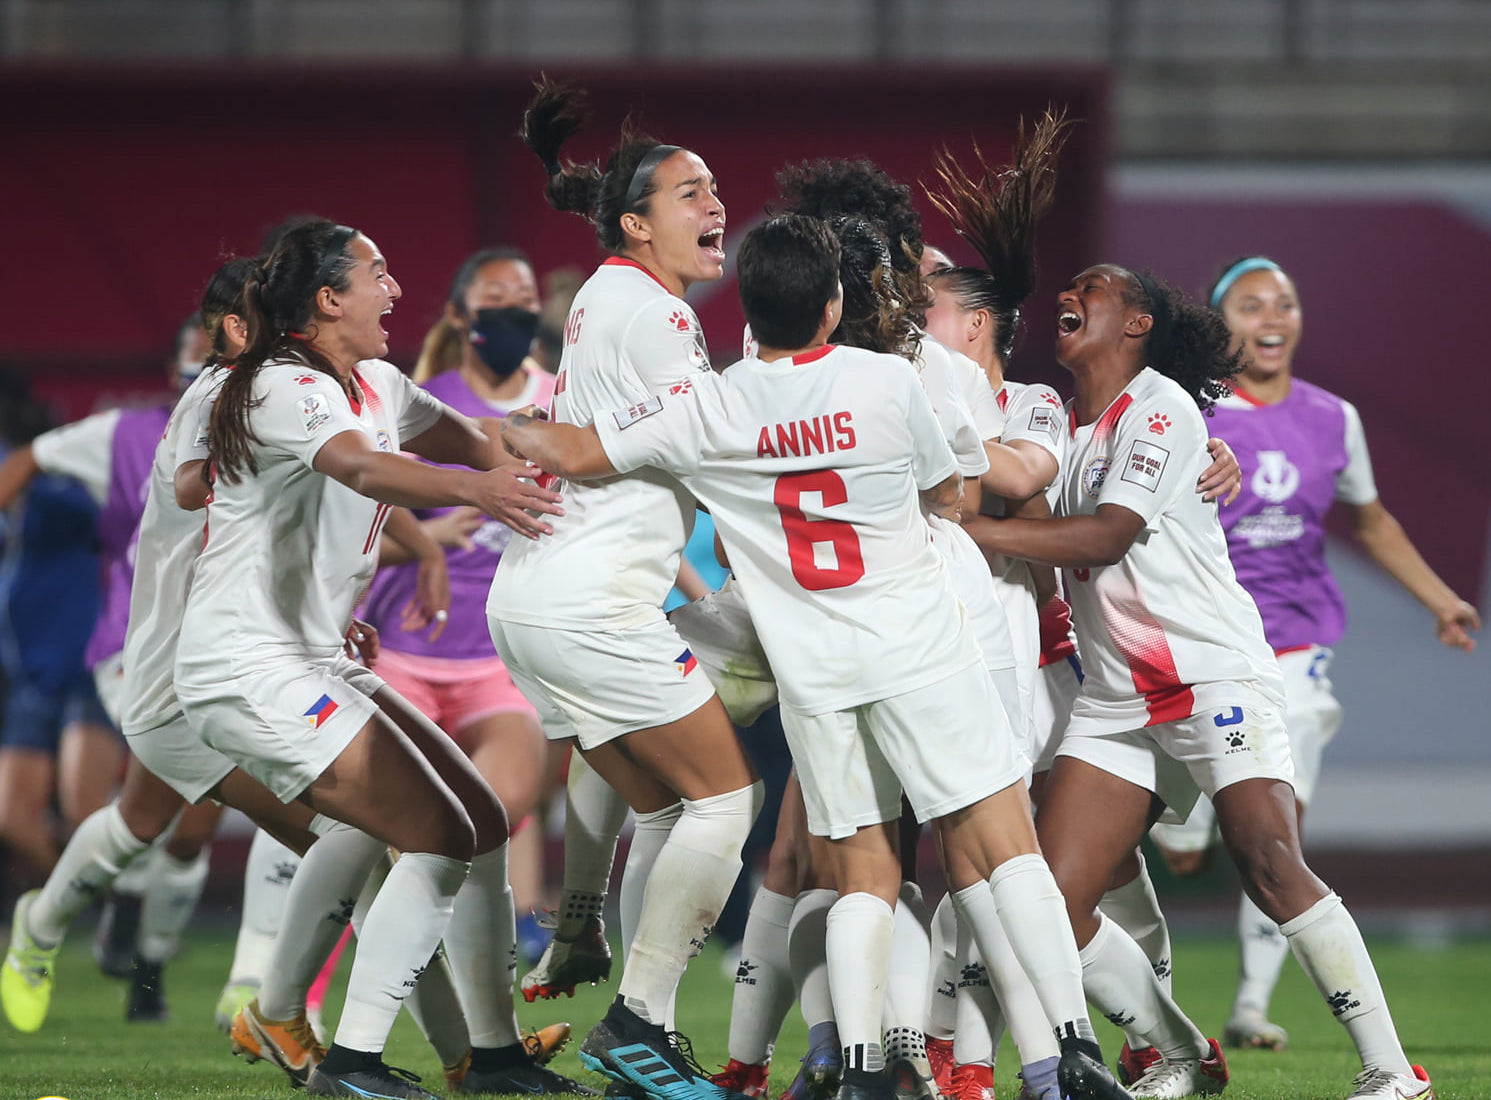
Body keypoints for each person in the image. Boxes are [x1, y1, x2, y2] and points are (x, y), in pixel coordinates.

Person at [501, 213, 1137, 1100]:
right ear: (834, 303)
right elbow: (948, 488)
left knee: (861, 874)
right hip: (920, 648)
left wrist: (520, 430)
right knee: (1004, 848)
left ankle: (865, 1066)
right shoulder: (885, 381)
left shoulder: (710, 402)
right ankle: (1068, 1055)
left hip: (817, 679)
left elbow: (573, 445)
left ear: (748, 314)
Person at [973, 262, 1434, 1100]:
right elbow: (1050, 522)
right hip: (1118, 700)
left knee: (1267, 859)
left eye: (1091, 288)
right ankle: (1180, 1051)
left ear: (1139, 321)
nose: (1067, 298)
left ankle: (1392, 1072)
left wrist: (969, 529)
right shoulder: (1073, 431)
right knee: (1050, 901)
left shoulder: (1162, 406)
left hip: (1210, 676)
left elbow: (1106, 536)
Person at [172, 218, 581, 1100]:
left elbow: (472, 437)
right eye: (377, 274)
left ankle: (494, 1057)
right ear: (327, 300)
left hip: (312, 654)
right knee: (431, 833)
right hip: (244, 664)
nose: (396, 290)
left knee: (479, 823)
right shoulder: (282, 385)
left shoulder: (381, 382)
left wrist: (557, 449)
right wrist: (478, 492)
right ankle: (352, 1062)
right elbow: (363, 469)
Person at [487, 78, 763, 1100]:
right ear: (639, 222)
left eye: (716, 188)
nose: (716, 205)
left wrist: (578, 443)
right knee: (729, 798)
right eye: (691, 193)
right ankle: (638, 1023)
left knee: (665, 803)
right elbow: (700, 438)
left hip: (539, 598)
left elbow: (652, 450)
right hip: (589, 601)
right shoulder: (657, 315)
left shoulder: (611, 293)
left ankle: (579, 937)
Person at [1145, 256, 1479, 1052]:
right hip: (1201, 642)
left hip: (1294, 650)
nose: (1272, 316)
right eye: (1251, 303)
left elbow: (1368, 520)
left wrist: (1439, 601)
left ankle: (1250, 1005)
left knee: (1279, 829)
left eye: (1285, 303)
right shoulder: (1187, 412)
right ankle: (1183, 837)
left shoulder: (1334, 417)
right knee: (1197, 839)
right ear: (1218, 323)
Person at [0, 317, 223, 1019]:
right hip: (137, 648)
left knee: (181, 827)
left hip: (235, 651)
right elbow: (33, 456)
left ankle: (144, 951)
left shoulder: (284, 423)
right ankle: (72, 922)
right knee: (138, 814)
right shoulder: (127, 436)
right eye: (196, 358)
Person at [363, 246, 555, 965]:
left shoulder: (566, 399)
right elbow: (358, 511)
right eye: (495, 298)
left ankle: (527, 928)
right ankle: (298, 981)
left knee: (500, 809)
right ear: (459, 315)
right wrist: (426, 537)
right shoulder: (423, 401)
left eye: (524, 296)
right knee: (383, 830)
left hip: (509, 650)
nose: (513, 310)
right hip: (406, 643)